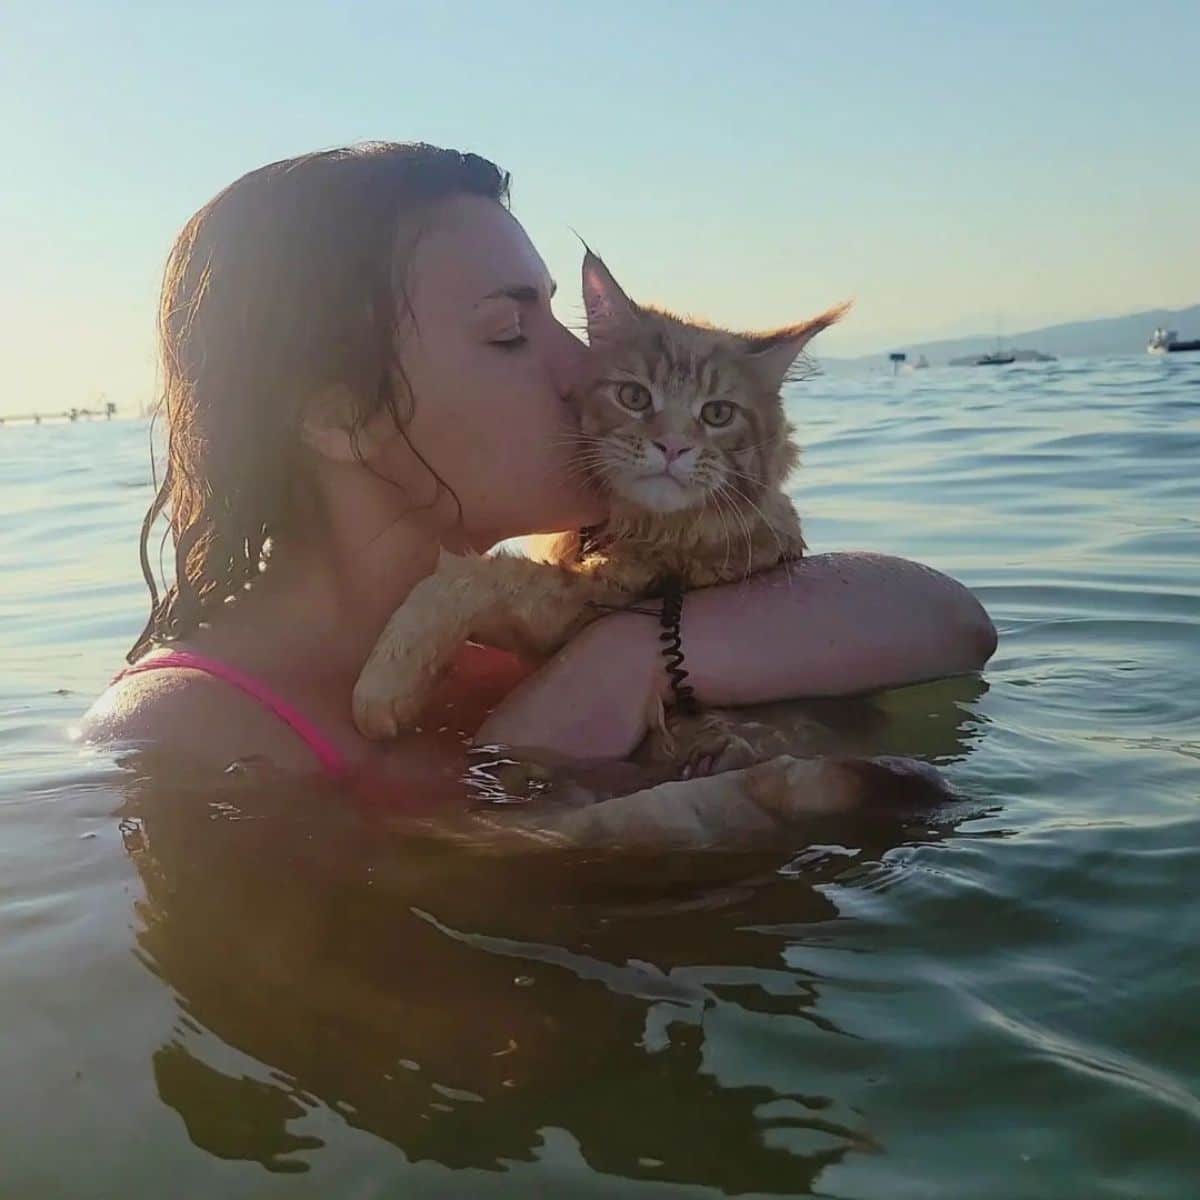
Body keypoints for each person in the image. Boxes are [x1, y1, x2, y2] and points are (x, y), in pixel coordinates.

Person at [84, 142, 995, 791]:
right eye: (511, 333)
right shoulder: (186, 736)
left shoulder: (529, 632)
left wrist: (638, 655)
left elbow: (948, 619)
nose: (585, 371)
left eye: (563, 322)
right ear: (338, 414)